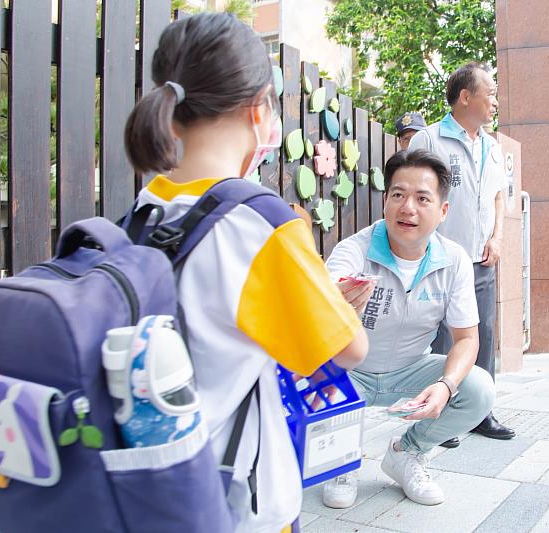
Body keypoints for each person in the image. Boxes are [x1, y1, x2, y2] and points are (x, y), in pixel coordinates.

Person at [123, 13, 368, 532]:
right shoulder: (260, 223)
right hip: (233, 503)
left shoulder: (143, 211)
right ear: (260, 107)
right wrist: (337, 300)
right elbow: (347, 350)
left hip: (150, 493)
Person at [321, 149, 495, 509]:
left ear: (443, 211)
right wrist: (333, 302)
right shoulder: (354, 250)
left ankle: (407, 452)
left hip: (411, 370)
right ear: (386, 201)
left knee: (477, 388)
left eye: (422, 198)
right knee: (317, 381)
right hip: (351, 374)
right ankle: (342, 460)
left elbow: (466, 339)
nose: (407, 208)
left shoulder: (454, 260)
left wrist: (446, 387)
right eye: (398, 195)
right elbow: (320, 303)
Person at [407, 62, 512, 444]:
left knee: (481, 333)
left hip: (482, 260)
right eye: (491, 92)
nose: (495, 101)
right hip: (440, 261)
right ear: (466, 97)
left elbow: (499, 196)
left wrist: (497, 237)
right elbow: (415, 200)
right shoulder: (429, 141)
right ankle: (442, 412)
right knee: (445, 340)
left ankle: (481, 411)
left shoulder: (493, 146)